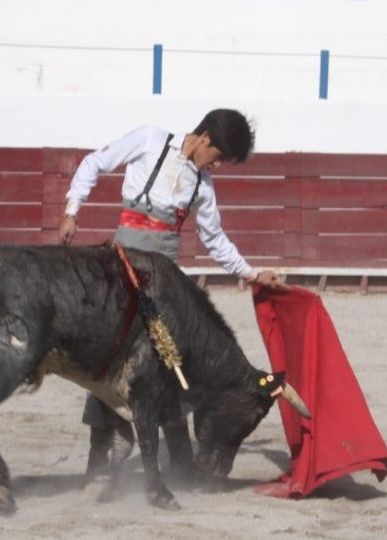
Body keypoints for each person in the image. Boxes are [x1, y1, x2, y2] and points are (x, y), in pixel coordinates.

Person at [58, 108, 282, 480]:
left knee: (171, 358)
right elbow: (94, 163)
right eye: (220, 157)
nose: (219, 167)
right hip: (122, 267)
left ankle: (177, 458)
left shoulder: (202, 186)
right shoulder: (150, 140)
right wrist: (71, 210)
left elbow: (215, 239)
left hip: (164, 280)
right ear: (206, 137)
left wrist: (251, 273)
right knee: (108, 348)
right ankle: (103, 447)